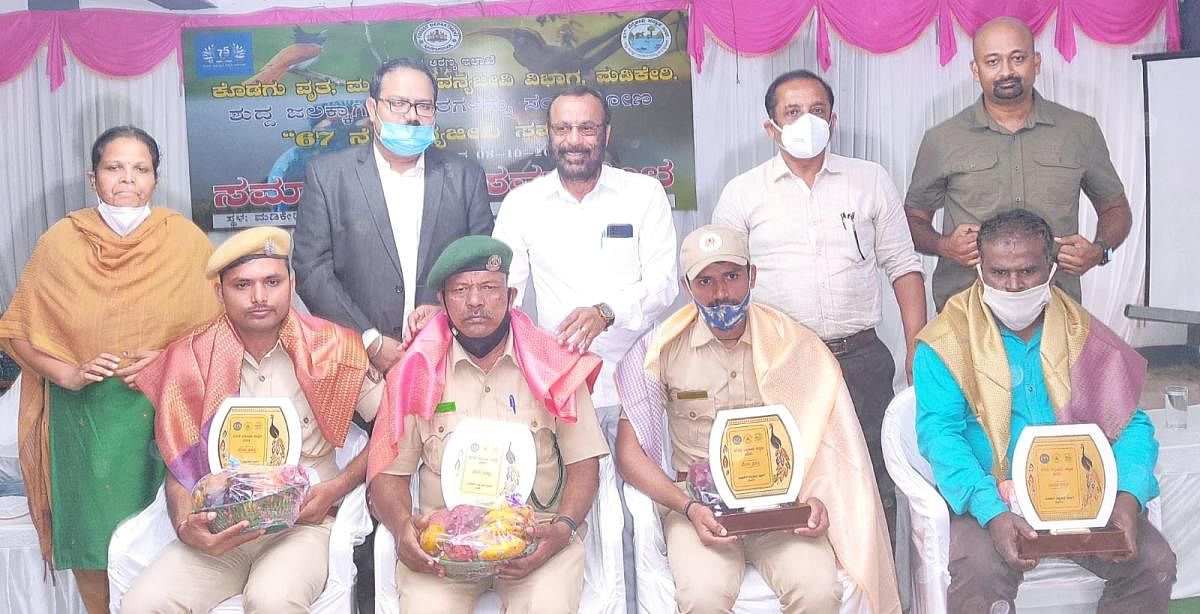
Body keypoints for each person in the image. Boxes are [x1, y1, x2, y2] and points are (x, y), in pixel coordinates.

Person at [614, 225, 901, 614]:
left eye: (731, 276)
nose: (720, 293)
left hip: (781, 509)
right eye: (706, 280)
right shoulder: (659, 350)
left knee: (818, 592)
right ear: (687, 286)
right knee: (702, 597)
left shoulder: (793, 344)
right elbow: (629, 456)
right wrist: (687, 507)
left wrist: (817, 500)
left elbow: (830, 445)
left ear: (752, 275)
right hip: (701, 511)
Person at [0, 126, 221, 613]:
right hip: (85, 417)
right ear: (92, 176)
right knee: (94, 539)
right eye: (114, 167)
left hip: (162, 412)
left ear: (155, 180)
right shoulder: (60, 242)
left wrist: (166, 359)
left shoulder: (183, 241)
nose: (127, 179)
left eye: (140, 169)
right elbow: (16, 329)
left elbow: (217, 331)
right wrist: (66, 373)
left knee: (166, 536)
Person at [914, 209, 1176, 613]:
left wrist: (1126, 497)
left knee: (1153, 563)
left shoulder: (1081, 332)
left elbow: (1130, 425)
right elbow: (941, 438)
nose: (1014, 286)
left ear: (1051, 269)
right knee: (977, 571)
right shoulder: (944, 342)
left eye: (1027, 272)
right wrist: (993, 514)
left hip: (1081, 495)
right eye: (999, 273)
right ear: (980, 269)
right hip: (991, 495)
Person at [119, 227, 383, 612]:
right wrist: (183, 522)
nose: (259, 297)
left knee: (271, 600)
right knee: (143, 603)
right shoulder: (191, 358)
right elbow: (179, 459)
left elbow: (392, 424)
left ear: (291, 284)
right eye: (242, 285)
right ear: (219, 292)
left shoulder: (333, 347)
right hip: (223, 526)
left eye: (272, 282)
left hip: (304, 524)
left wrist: (336, 488)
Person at [713, 69, 925, 537]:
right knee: (794, 477)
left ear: (833, 118)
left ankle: (877, 596)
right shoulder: (742, 194)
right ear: (771, 127)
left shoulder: (870, 180)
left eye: (815, 110)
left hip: (862, 357)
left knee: (873, 478)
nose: (805, 120)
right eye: (792, 112)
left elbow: (904, 266)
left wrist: (916, 347)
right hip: (783, 361)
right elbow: (721, 284)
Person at [366, 235, 609, 613]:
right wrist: (402, 530)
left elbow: (584, 465)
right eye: (461, 290)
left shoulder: (555, 366)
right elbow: (387, 475)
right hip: (444, 546)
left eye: (489, 288)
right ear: (442, 302)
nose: (476, 301)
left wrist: (561, 530)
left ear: (511, 297)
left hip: (536, 541)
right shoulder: (416, 371)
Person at [905, 16, 1132, 312]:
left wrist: (1100, 251)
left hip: (1054, 304)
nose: (1006, 71)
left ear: (1036, 62)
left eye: (1018, 58)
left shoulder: (1080, 130)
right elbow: (912, 220)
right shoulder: (942, 139)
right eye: (992, 61)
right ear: (975, 70)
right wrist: (944, 245)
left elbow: (1116, 209)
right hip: (967, 306)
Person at [294, 57, 494, 372]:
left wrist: (443, 314)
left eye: (424, 106)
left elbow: (481, 267)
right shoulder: (329, 176)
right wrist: (370, 341)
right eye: (399, 104)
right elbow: (311, 270)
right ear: (372, 109)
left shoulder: (465, 177)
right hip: (358, 367)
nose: (412, 117)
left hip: (448, 359)